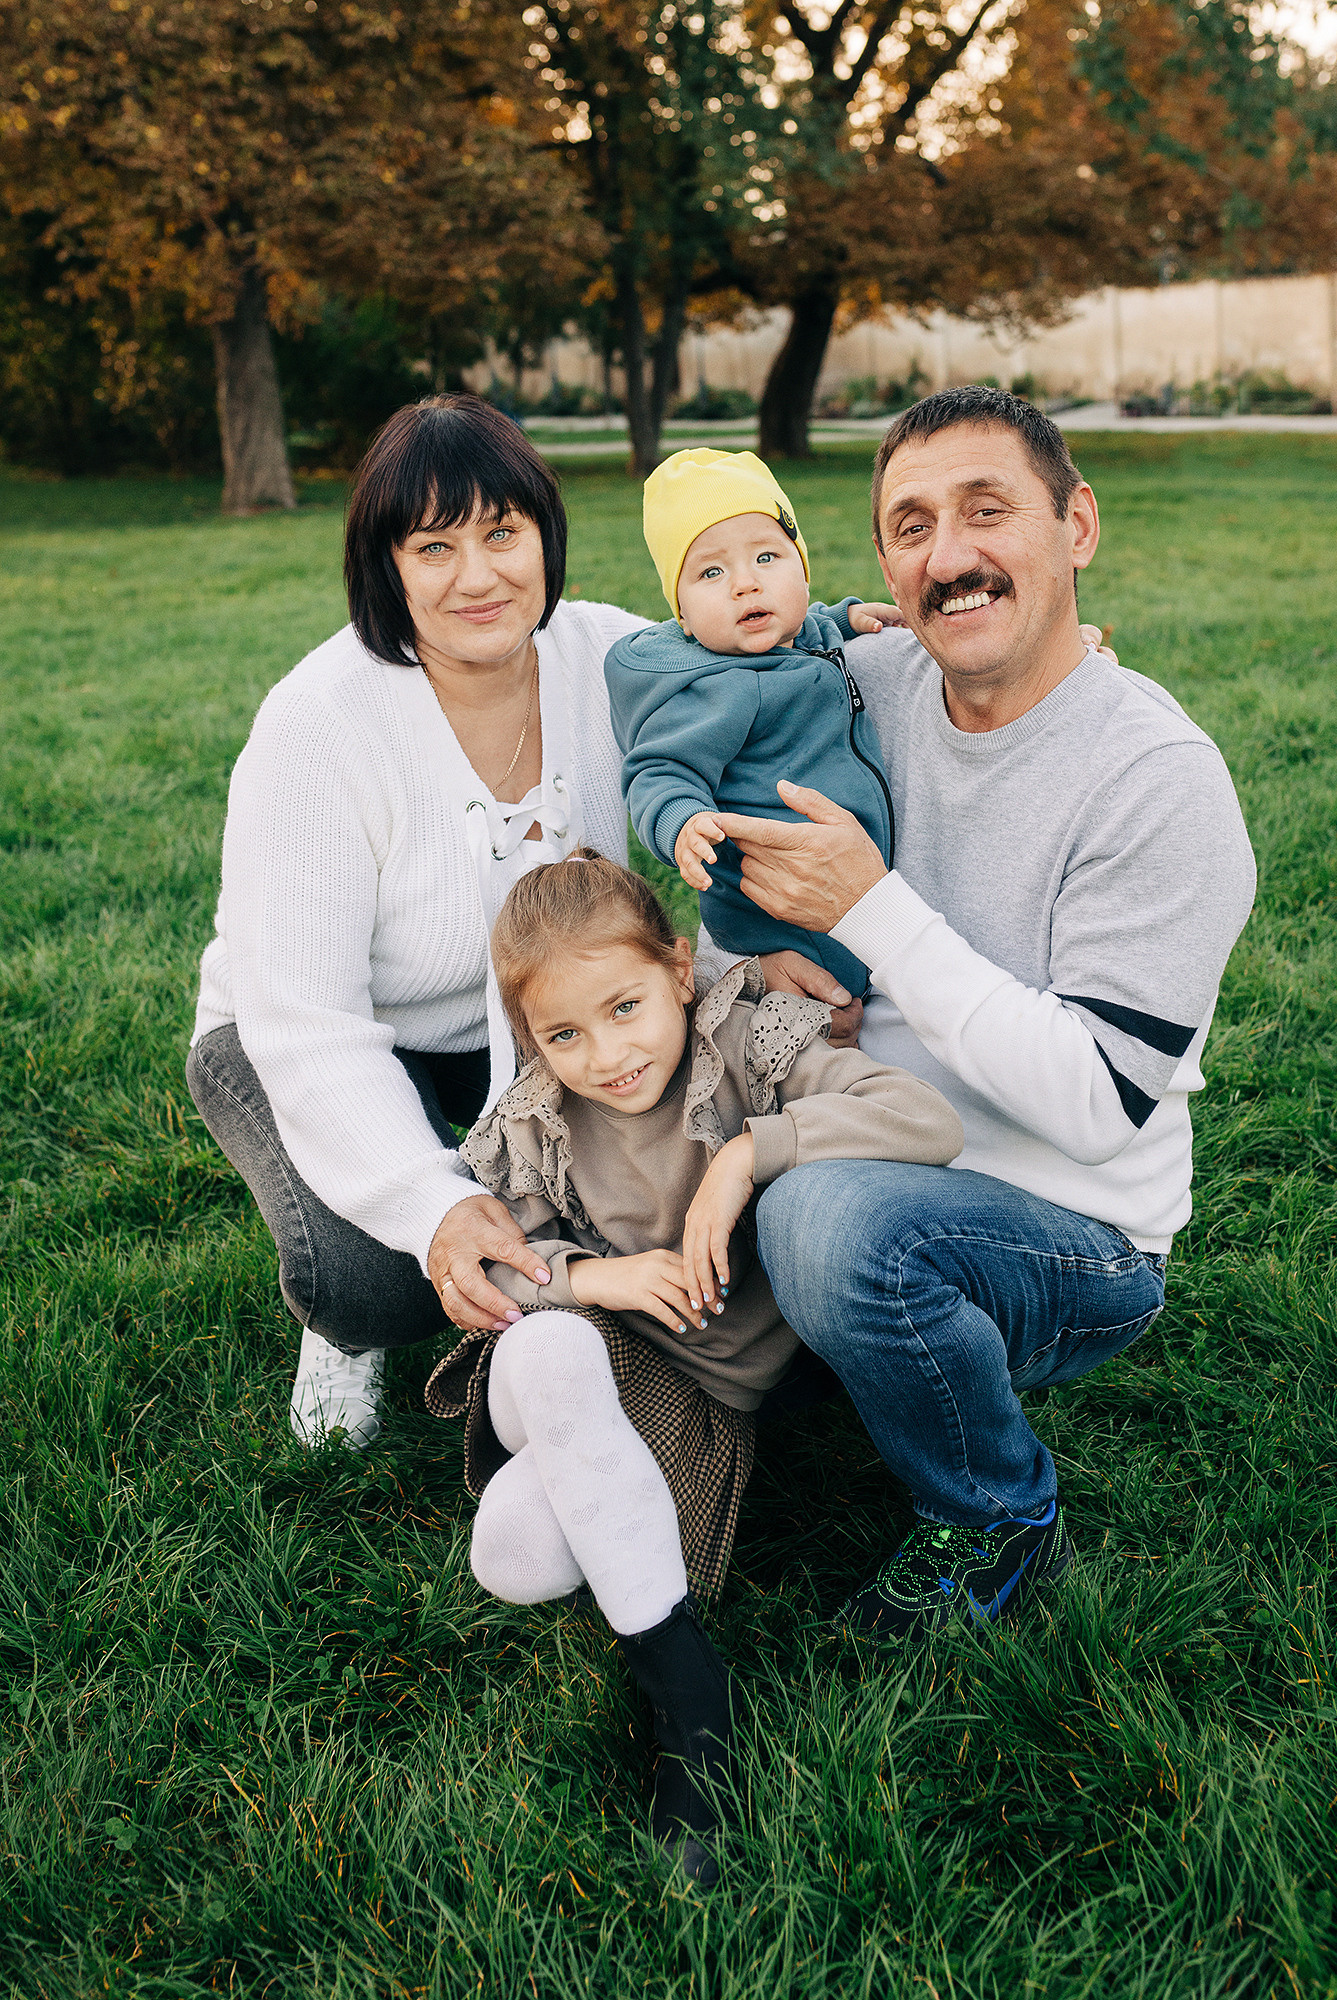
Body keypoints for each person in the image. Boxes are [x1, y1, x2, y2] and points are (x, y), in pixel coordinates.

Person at [703, 387, 1257, 1645]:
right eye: (911, 525)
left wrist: (877, 910)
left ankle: (998, 1512)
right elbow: (689, 709)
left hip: (1071, 1221)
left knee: (830, 1226)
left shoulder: (1158, 778)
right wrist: (760, 962)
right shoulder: (865, 683)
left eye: (986, 511)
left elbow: (1097, 1106)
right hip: (862, 1123)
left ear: (1077, 525)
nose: (948, 556)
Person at [425, 848, 963, 1881]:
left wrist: (747, 1153)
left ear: (679, 968)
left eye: (626, 1005)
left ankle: (597, 1505)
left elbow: (927, 1120)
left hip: (698, 1397)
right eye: (564, 1032)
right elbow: (498, 1274)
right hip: (591, 1355)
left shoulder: (746, 1045)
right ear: (532, 1037)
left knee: (518, 1554)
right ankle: (689, 1699)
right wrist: (601, 1282)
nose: (606, 1053)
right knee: (544, 1341)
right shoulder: (539, 1118)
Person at [186, 394, 666, 1448]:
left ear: (546, 535)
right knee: (385, 1279)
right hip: (296, 1035)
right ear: (386, 567)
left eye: (504, 531)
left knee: (643, 1198)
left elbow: (764, 658)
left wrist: (903, 642)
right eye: (435, 545)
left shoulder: (610, 658)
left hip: (536, 1028)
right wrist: (431, 1202)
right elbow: (303, 1017)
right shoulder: (317, 724)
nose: (481, 575)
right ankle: (339, 1323)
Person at [605, 448, 903, 999]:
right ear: (684, 617)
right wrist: (684, 823)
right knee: (821, 1041)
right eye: (711, 572)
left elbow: (809, 629)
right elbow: (657, 771)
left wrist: (844, 617)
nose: (745, 584)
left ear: (802, 568)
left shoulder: (797, 639)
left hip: (846, 888)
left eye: (766, 557)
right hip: (774, 919)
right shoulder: (715, 691)